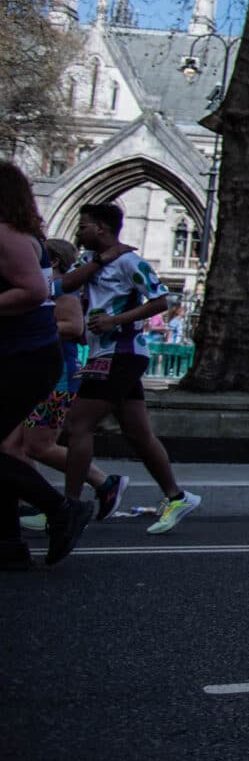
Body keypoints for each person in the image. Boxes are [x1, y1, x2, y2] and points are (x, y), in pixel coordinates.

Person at [60, 201, 200, 536]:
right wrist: (96, 264)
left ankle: (68, 506)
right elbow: (62, 286)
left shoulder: (131, 263)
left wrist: (114, 320)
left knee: (78, 424)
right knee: (137, 433)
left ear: (102, 228)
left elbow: (161, 300)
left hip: (121, 353)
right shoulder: (90, 262)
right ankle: (177, 497)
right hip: (101, 353)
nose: (79, 232)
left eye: (84, 226)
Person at [0, 163, 92, 568]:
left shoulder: (5, 233)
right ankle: (9, 544)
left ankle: (61, 509)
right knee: (3, 447)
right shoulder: (23, 235)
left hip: (26, 356)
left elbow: (33, 291)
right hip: (25, 355)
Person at [5, 237, 126, 528]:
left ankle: (102, 482)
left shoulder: (63, 291)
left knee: (39, 446)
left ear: (54, 262)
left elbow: (73, 327)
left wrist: (34, 325)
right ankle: (29, 501)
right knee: (12, 447)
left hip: (57, 380)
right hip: (41, 376)